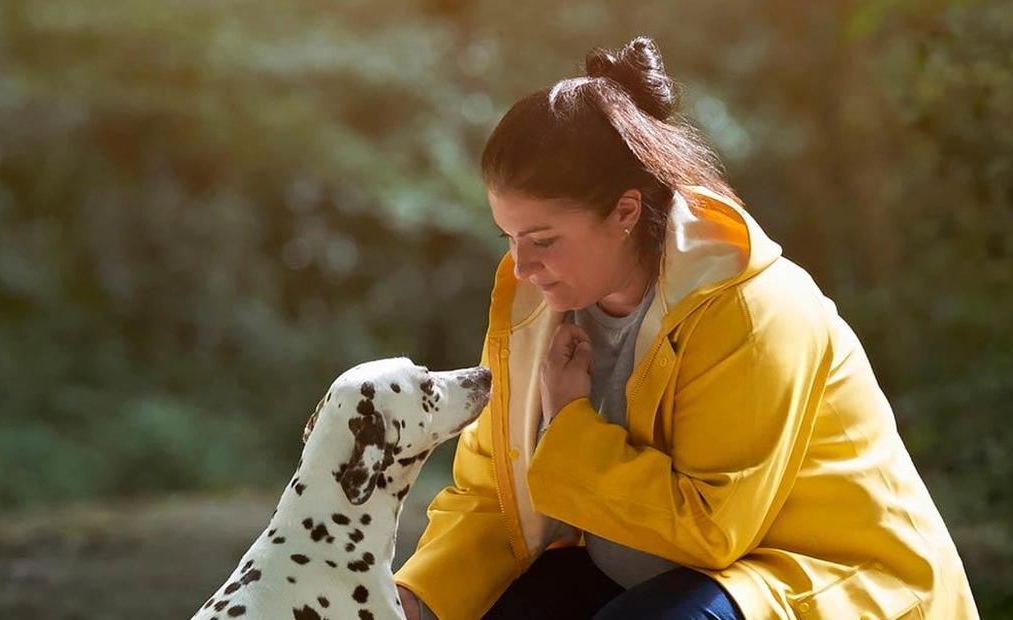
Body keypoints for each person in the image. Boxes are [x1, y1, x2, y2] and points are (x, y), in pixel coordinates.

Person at [391, 36, 980, 620]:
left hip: (819, 576)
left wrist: (569, 422)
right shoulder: (534, 306)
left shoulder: (752, 308)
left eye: (543, 240)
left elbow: (712, 528)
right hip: (653, 580)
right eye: (510, 238)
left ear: (624, 212)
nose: (521, 266)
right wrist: (419, 599)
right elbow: (493, 489)